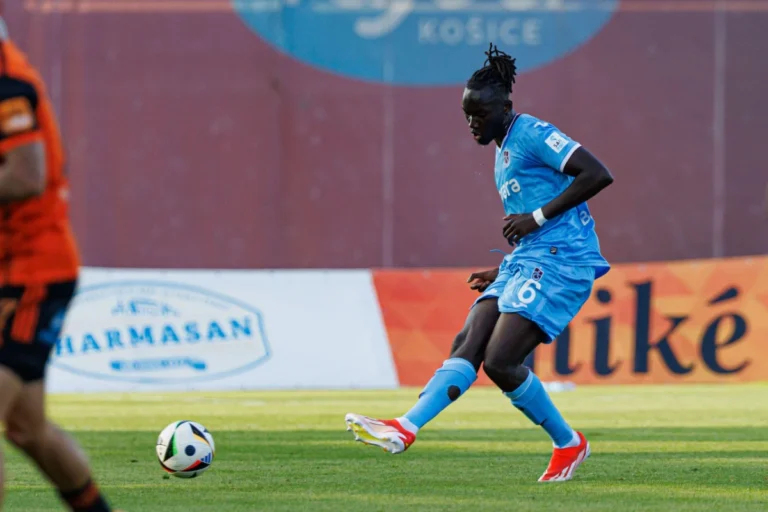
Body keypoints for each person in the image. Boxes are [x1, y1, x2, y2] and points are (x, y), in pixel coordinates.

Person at [345, 43, 614, 483]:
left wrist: (536, 218)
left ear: (505, 107)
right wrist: (505, 266)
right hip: (528, 260)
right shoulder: (502, 145)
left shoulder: (531, 132)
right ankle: (405, 427)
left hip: (563, 261)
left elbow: (597, 173)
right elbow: (533, 217)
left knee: (501, 361)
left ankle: (568, 443)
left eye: (481, 114)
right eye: (468, 114)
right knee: (467, 341)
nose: (473, 123)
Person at [0, 19, 117, 511]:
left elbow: (27, 175)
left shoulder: (8, 82)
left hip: (31, 273)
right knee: (28, 429)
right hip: (14, 269)